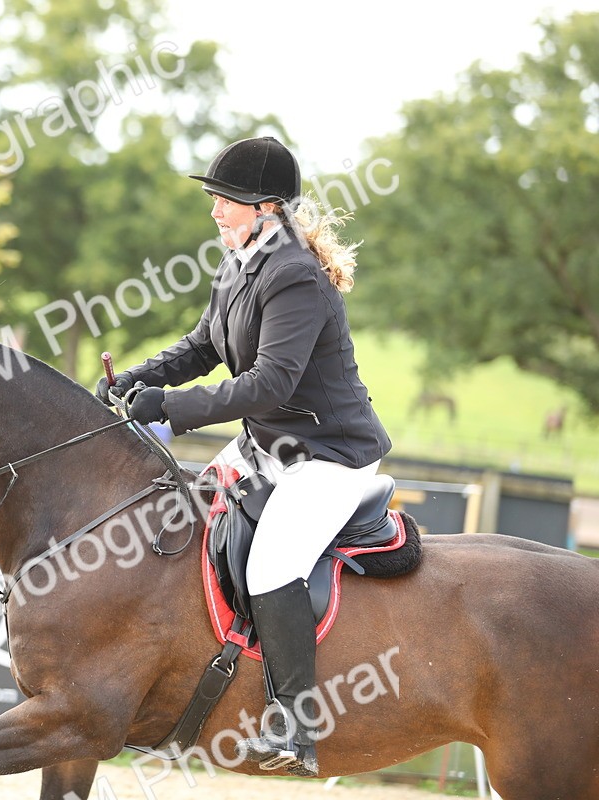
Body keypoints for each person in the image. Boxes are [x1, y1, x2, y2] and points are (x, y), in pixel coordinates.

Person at [96, 136, 391, 777]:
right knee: (188, 525)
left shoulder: (296, 277)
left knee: (272, 566)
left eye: (223, 201)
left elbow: (268, 385)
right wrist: (136, 380)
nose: (214, 212)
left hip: (329, 455)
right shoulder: (241, 263)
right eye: (214, 200)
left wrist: (167, 409)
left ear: (264, 207)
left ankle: (295, 725)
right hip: (270, 444)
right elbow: (203, 345)